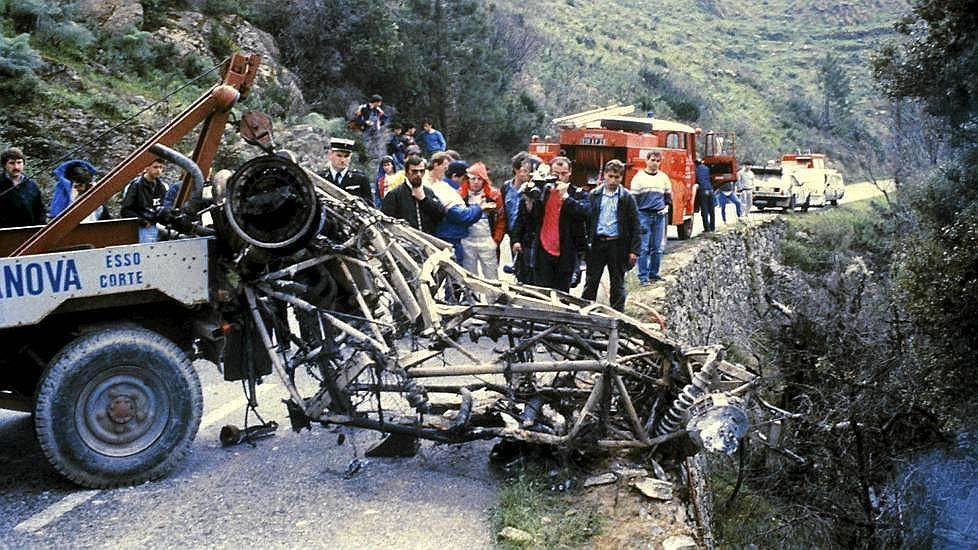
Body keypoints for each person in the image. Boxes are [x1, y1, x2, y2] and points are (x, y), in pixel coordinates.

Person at [511, 161, 589, 292]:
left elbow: (585, 213)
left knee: (562, 294)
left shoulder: (577, 193)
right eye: (555, 174)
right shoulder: (541, 192)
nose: (559, 178)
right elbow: (524, 219)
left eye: (563, 174)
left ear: (570, 173)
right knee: (541, 293)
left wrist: (566, 197)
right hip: (543, 250)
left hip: (565, 251)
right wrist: (516, 239)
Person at [581, 160, 640, 312]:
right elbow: (586, 221)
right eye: (611, 176)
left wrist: (634, 251)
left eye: (617, 177)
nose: (613, 180)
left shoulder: (627, 198)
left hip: (618, 245)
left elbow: (635, 225)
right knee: (591, 282)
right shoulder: (594, 195)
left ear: (621, 178)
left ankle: (617, 317)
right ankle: (585, 316)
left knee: (617, 283)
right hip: (597, 244)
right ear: (604, 176)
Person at [630, 150, 672, 284]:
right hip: (644, 215)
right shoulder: (639, 177)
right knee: (643, 247)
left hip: (659, 216)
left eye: (658, 161)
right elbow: (634, 200)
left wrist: (666, 208)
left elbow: (668, 197)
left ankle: (654, 274)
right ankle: (643, 277)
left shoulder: (664, 177)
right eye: (652, 160)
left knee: (657, 247)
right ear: (647, 160)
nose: (655, 163)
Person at [459, 162, 506, 279]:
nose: (475, 182)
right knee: (469, 277)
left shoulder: (494, 195)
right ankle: (470, 298)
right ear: (467, 179)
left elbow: (502, 219)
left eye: (479, 179)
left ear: (484, 180)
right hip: (467, 240)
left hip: (487, 240)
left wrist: (496, 240)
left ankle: (493, 298)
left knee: (492, 277)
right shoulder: (460, 195)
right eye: (473, 178)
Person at [501, 152, 541, 283]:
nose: (525, 174)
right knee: (518, 265)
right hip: (512, 231)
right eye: (523, 170)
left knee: (530, 267)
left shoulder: (534, 189)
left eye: (529, 171)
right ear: (515, 169)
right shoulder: (506, 187)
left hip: (528, 232)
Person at [380, 155, 443, 235]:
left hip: (429, 240)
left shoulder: (428, 192)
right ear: (406, 172)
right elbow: (386, 224)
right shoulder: (394, 195)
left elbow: (440, 215)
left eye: (421, 171)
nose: (419, 174)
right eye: (414, 171)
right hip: (404, 242)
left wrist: (424, 200)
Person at [121, 157, 169, 242]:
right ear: (147, 167)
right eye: (155, 167)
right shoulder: (136, 185)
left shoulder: (162, 187)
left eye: (161, 167)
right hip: (143, 227)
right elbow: (126, 209)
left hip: (158, 225)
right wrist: (142, 221)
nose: (158, 170)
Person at [0, 147, 44, 228]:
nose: (16, 167)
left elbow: (39, 212)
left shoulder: (32, 185)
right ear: (4, 165)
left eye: (19, 162)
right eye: (12, 163)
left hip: (28, 232)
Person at [320, 137, 373, 204]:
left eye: (346, 156)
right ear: (330, 155)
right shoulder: (321, 177)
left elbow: (370, 205)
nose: (342, 160)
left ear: (350, 157)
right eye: (339, 155)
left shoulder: (360, 179)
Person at [695, 157, 715, 232]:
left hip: (703, 190)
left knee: (704, 210)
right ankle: (712, 227)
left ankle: (707, 228)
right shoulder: (706, 168)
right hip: (710, 189)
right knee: (711, 210)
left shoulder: (695, 170)